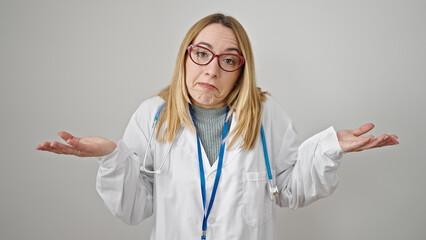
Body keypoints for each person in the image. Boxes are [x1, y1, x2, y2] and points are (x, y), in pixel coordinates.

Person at [36, 13, 398, 240]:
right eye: (202, 54)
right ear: (186, 56)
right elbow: (133, 209)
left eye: (228, 60)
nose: (211, 69)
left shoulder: (266, 116)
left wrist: (328, 148)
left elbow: (289, 190)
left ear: (242, 70)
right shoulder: (152, 116)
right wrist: (113, 157)